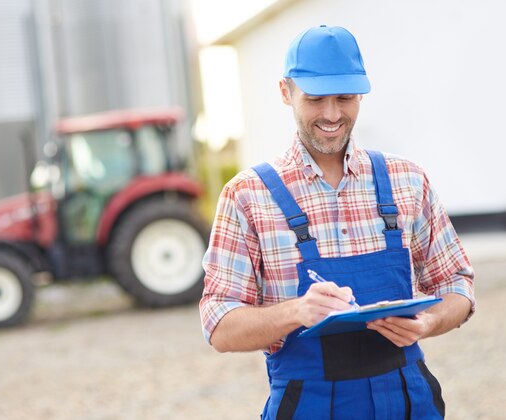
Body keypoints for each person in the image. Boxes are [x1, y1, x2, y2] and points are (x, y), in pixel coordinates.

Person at [199, 24, 475, 419]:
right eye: (315, 99)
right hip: (308, 404)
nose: (331, 114)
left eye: (345, 98)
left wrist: (429, 321)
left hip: (408, 398)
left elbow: (458, 286)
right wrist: (295, 312)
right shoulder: (247, 196)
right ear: (285, 92)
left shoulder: (407, 181)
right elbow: (220, 327)